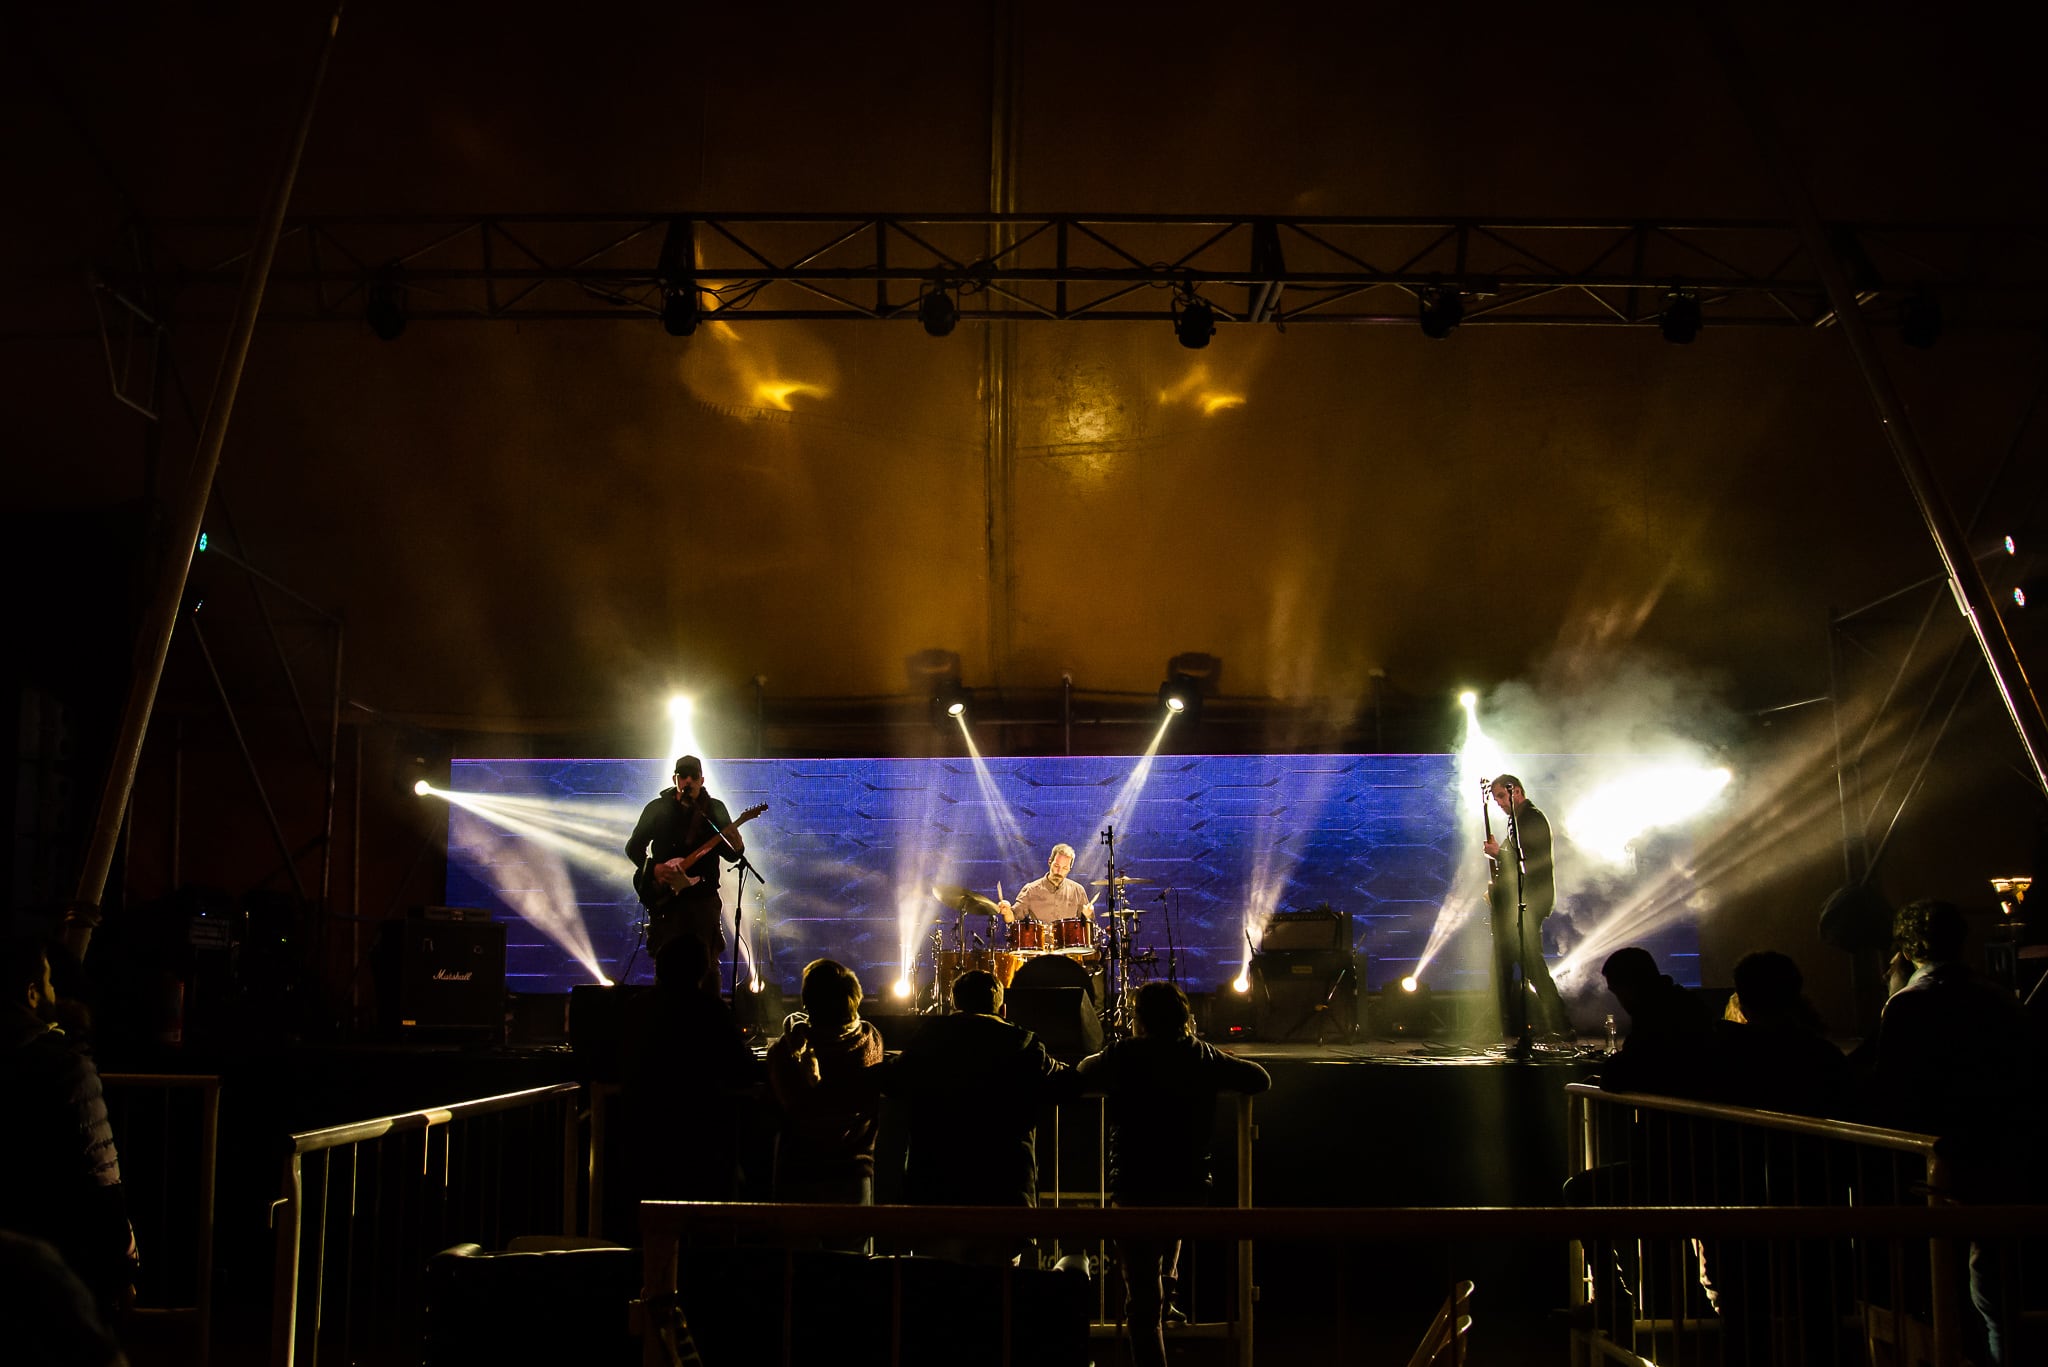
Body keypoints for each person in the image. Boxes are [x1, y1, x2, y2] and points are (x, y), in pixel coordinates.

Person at [1863, 900, 2030, 1365]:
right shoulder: (1998, 997)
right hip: (1999, 1153)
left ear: (1907, 948)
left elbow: (1891, 1089)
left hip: (1936, 1163)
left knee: (1940, 1285)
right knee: (1995, 1290)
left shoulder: (1909, 1004)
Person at [1077, 983, 1271, 1367]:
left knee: (1143, 1301)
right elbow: (1259, 1079)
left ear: (1140, 1019)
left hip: (1134, 1186)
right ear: (1185, 1017)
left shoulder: (1125, 1054)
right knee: (1163, 1267)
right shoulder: (1200, 1055)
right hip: (1186, 1186)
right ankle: (1166, 1305)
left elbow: (1083, 1072)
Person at [876, 969, 1076, 1263]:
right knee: (998, 1297)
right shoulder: (1024, 1045)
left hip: (936, 1193)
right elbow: (1067, 1084)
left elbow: (890, 1080)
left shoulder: (928, 1041)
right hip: (1003, 1195)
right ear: (1002, 1009)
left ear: (954, 1004)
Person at [0, 936, 138, 1326]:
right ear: (31, 994)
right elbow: (102, 1173)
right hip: (60, 1259)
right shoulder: (67, 1068)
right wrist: (123, 1263)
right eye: (48, 983)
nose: (53, 991)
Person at [619, 934, 759, 1211]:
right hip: (700, 1142)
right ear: (702, 970)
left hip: (644, 1137)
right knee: (705, 1224)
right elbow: (741, 1070)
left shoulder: (635, 1008)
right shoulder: (710, 1010)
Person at [765, 959, 885, 1252]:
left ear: (808, 1000)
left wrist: (794, 1027)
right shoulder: (870, 1040)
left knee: (796, 1270)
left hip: (799, 1172)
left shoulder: (786, 1050)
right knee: (852, 1270)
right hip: (852, 1175)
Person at [624, 756, 745, 977]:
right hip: (668, 901)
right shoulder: (657, 808)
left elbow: (730, 855)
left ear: (702, 780)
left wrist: (739, 848)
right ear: (675, 779)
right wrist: (654, 869)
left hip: (703, 898)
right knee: (667, 961)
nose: (688, 780)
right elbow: (633, 848)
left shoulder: (714, 809)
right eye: (683, 775)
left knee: (707, 963)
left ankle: (708, 1008)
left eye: (694, 776)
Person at [1482, 774, 1569, 1038]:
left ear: (1515, 791)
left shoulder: (1531, 818)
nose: (1498, 802)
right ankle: (1496, 1024)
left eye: (1500, 796)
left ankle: (1561, 1024)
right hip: (1520, 902)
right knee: (1504, 963)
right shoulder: (1517, 821)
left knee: (1529, 963)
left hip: (1530, 902)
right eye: (1495, 797)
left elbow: (1527, 860)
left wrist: (1499, 853)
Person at [1596, 946, 1714, 1098]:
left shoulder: (1654, 1017)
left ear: (1629, 985)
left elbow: (1626, 1070)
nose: (1621, 1000)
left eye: (1618, 992)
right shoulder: (1685, 1003)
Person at [998, 843, 1090, 926]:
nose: (1059, 871)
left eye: (1065, 868)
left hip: (1070, 944)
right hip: (1040, 943)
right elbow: (1013, 918)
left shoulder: (1078, 891)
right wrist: (1007, 912)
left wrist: (1088, 916)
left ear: (1070, 868)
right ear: (1050, 862)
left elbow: (1088, 925)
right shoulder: (1031, 890)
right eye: (1056, 866)